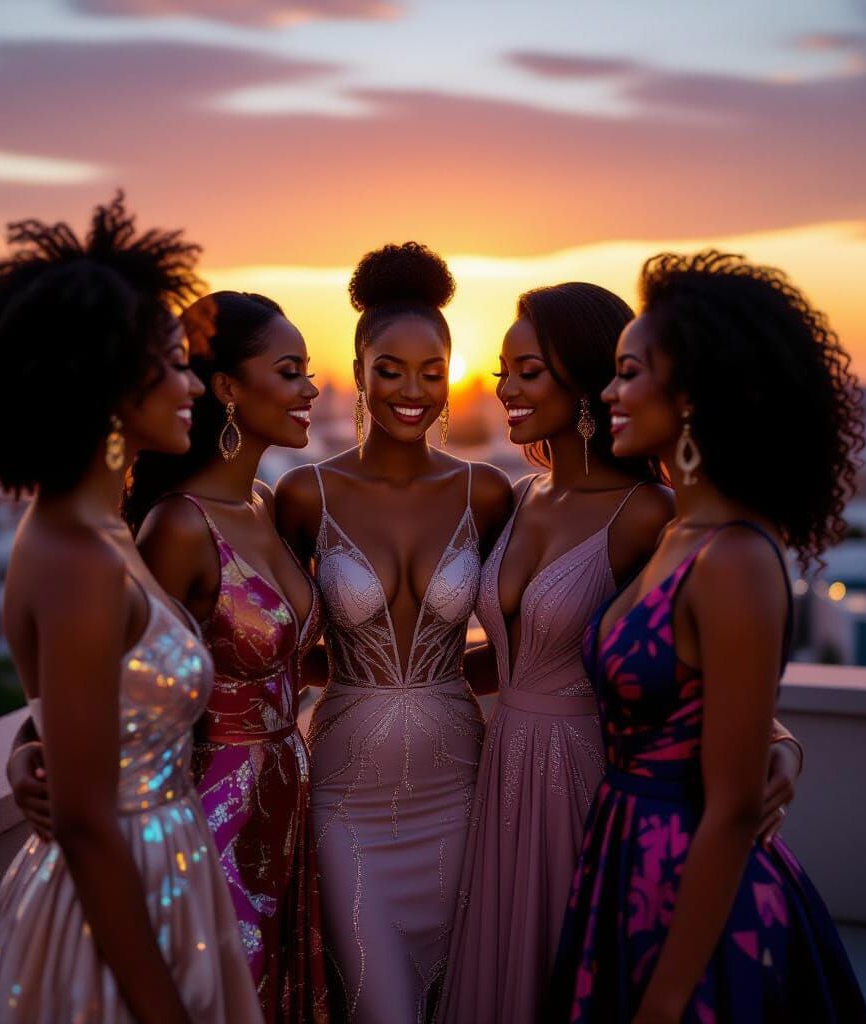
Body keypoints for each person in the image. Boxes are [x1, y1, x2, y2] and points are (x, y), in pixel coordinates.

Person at [439, 282, 804, 1024]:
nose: (503, 387)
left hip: (583, 777)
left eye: (527, 370)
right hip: (498, 772)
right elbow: (513, 654)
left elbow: (686, 664)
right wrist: (359, 676)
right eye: (501, 369)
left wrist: (781, 740)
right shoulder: (518, 495)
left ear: (581, 378)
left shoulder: (650, 515)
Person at [0, 196, 261, 1024]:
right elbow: (85, 823)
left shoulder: (96, 529)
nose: (193, 382)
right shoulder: (78, 555)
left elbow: (85, 704)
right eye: (172, 363)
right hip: (122, 912)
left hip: (163, 878)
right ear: (109, 384)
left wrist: (27, 744)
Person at [550, 251, 866, 1022]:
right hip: (624, 859)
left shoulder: (734, 557)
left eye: (629, 373)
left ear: (692, 395)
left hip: (696, 896)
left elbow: (730, 809)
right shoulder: (675, 530)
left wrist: (663, 1003)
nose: (609, 392)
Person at [276, 242, 513, 1023]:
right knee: (377, 1004)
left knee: (454, 1001)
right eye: (390, 369)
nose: (413, 392)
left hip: (459, 787)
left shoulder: (488, 493)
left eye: (432, 372)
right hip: (347, 790)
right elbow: (269, 643)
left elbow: (525, 650)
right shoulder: (307, 493)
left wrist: (442, 686)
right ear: (358, 367)